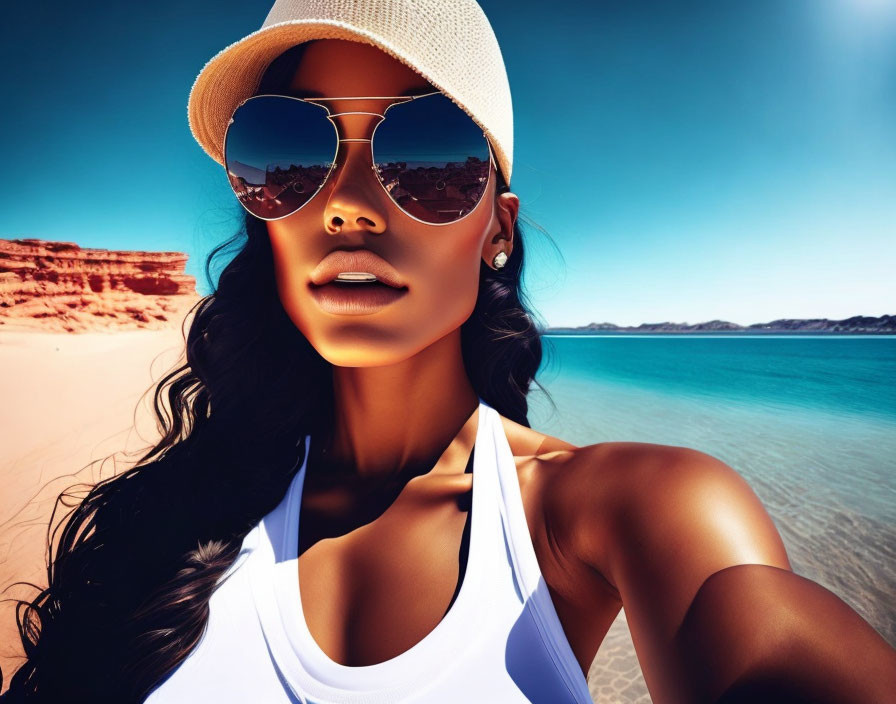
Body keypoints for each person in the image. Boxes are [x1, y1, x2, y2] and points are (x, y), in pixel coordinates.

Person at [3, 0, 895, 702]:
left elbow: (757, 645)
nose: (348, 206)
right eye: (290, 151)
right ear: (260, 215)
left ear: (497, 231)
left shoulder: (628, 511)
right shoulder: (183, 513)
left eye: (429, 154)